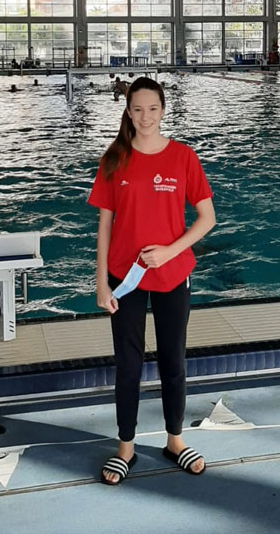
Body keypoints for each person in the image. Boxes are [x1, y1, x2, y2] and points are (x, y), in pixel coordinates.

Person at [88, 77, 216, 486]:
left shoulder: (183, 157)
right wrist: (101, 283)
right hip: (123, 278)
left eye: (153, 109)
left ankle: (174, 441)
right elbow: (104, 224)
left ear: (163, 111)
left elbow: (207, 218)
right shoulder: (114, 159)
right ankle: (126, 446)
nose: (145, 117)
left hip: (172, 274)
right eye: (138, 109)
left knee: (172, 362)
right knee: (127, 365)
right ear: (128, 112)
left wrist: (170, 251)